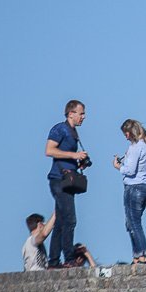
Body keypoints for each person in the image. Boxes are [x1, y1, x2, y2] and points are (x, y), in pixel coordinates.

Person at [44, 99, 89, 268]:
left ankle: (54, 261)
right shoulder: (59, 129)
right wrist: (74, 155)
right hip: (58, 179)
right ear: (71, 113)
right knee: (70, 220)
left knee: (62, 220)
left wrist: (79, 162)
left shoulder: (73, 132)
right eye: (81, 113)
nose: (83, 117)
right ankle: (68, 258)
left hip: (67, 180)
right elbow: (49, 150)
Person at [112, 118, 146, 265]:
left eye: (126, 133)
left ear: (130, 133)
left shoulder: (135, 148)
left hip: (134, 187)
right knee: (131, 222)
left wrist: (118, 166)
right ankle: (137, 256)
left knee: (134, 222)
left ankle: (141, 255)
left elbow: (130, 170)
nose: (126, 137)